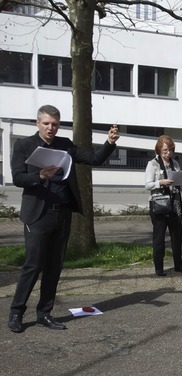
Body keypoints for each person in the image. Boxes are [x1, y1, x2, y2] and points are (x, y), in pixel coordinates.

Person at [7, 104, 119, 333]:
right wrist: (39, 175)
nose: (51, 128)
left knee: (54, 266)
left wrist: (110, 142)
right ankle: (16, 312)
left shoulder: (65, 145)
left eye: (55, 124)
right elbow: (17, 177)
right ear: (37, 123)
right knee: (33, 265)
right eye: (46, 123)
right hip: (38, 214)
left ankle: (44, 313)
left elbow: (94, 159)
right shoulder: (24, 145)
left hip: (63, 212)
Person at [145, 135, 182, 277]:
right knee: (159, 237)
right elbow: (147, 185)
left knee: (177, 236)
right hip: (159, 205)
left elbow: (181, 182)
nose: (168, 153)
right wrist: (160, 182)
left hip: (174, 205)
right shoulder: (152, 164)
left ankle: (179, 265)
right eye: (165, 150)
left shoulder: (175, 164)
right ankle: (159, 267)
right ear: (159, 150)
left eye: (171, 150)